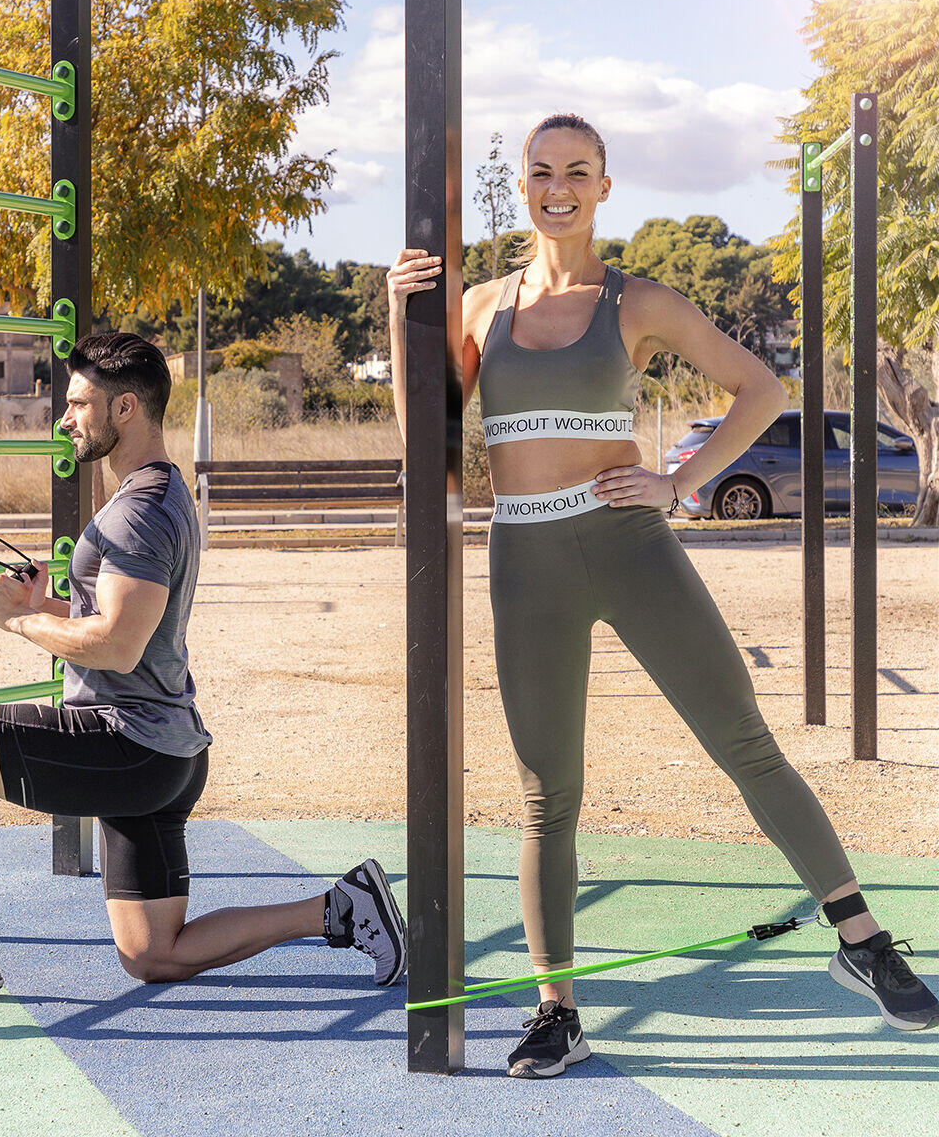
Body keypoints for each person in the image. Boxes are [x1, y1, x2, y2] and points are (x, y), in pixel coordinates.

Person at [387, 114, 938, 1078]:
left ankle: (861, 941)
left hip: (630, 543)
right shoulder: (479, 308)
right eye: (542, 171)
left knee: (746, 744)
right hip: (527, 558)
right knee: (547, 793)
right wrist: (404, 320)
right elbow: (423, 442)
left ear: (605, 187)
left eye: (578, 172)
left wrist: (678, 488)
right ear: (525, 186)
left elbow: (760, 391)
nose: (558, 186)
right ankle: (557, 1008)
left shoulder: (635, 300)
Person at [0, 331, 405, 1006]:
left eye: (78, 404)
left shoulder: (139, 514)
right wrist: (51, 603)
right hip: (161, 751)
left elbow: (117, 645)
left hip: (126, 742)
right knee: (154, 953)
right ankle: (341, 907)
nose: (65, 419)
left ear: (124, 410)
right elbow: (122, 620)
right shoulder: (157, 493)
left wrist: (19, 622)